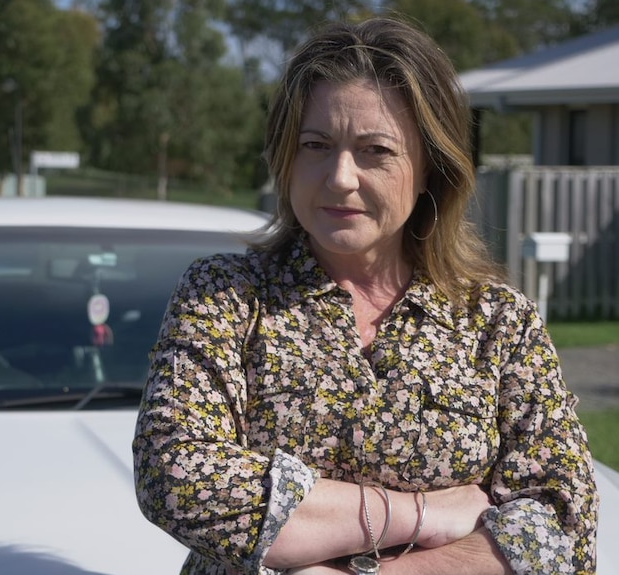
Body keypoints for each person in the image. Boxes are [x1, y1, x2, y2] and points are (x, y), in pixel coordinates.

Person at [132, 16, 599, 575]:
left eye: (375, 150)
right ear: (287, 156)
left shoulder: (497, 322)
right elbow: (175, 475)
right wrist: (418, 513)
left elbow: (561, 518)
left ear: (429, 166)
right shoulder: (227, 296)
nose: (340, 177)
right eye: (316, 145)